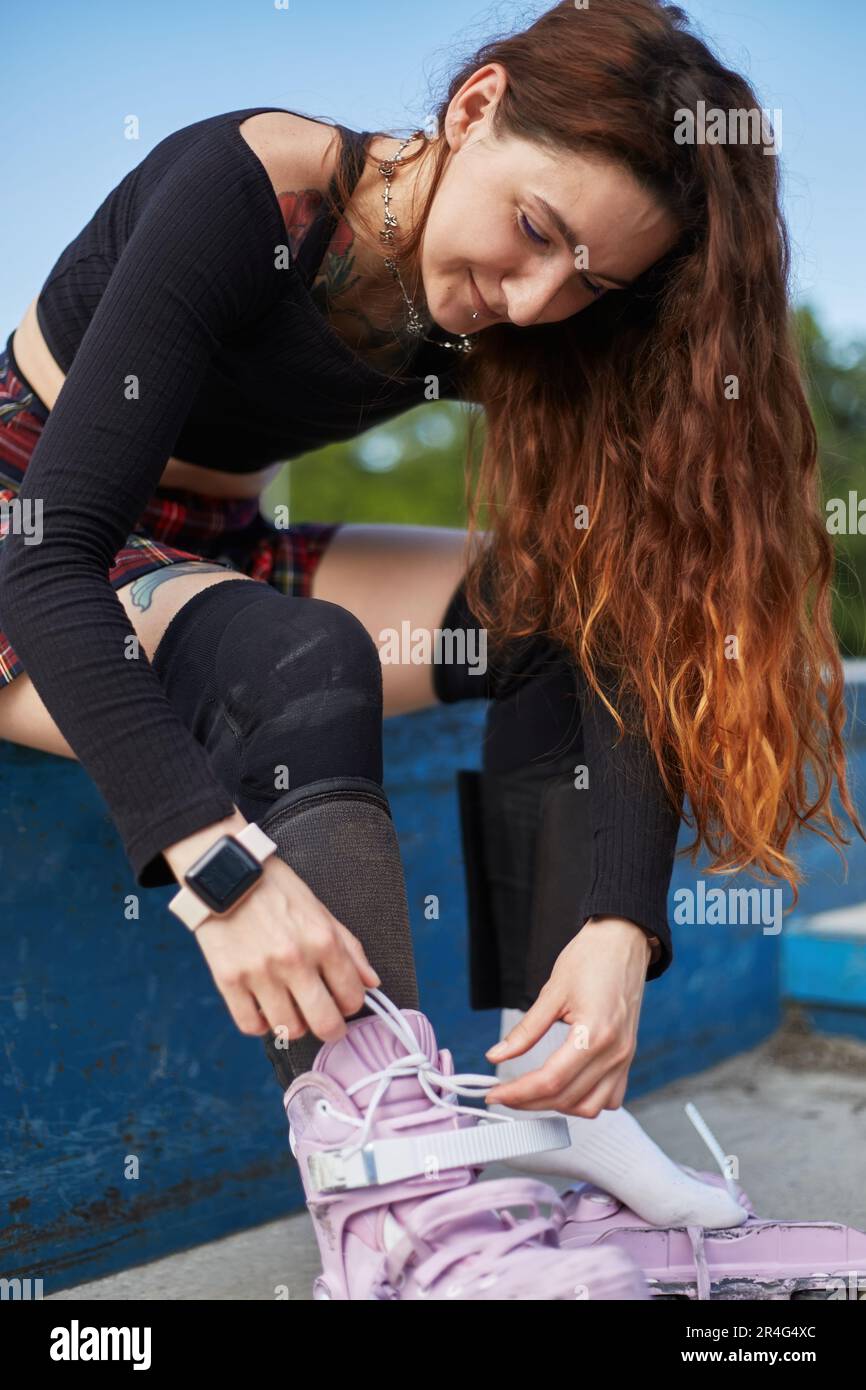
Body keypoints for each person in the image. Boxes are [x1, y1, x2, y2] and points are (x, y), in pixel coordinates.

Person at [0, 0, 859, 1261]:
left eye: (587, 282)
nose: (529, 300)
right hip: (32, 530)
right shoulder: (245, 188)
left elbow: (630, 593)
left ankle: (547, 1103)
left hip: (221, 542)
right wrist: (215, 868)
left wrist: (616, 926)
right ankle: (384, 1196)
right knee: (305, 656)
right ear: (472, 107)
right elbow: (51, 553)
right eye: (532, 231)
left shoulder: (520, 309)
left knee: (570, 608)